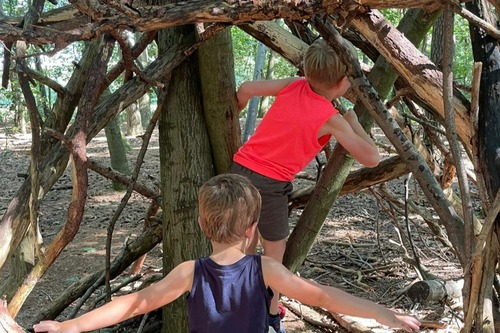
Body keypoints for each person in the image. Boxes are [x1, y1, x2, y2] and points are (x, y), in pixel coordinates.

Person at [33, 174, 420, 333]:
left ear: (202, 226)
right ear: (253, 230)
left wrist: (68, 326)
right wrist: (385, 313)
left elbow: (137, 302)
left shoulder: (189, 272)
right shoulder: (266, 270)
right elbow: (322, 296)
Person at [231, 38, 381, 332]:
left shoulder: (294, 85)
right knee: (274, 253)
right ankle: (270, 315)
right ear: (342, 83)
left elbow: (247, 88)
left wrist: (233, 113)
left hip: (240, 169)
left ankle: (240, 305)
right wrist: (352, 120)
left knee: (243, 247)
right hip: (270, 184)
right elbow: (372, 157)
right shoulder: (332, 118)